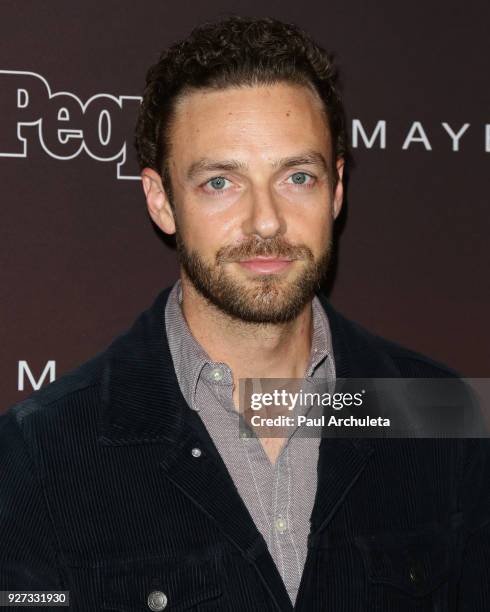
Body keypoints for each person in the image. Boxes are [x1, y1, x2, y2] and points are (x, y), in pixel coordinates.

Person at [1, 16, 489, 612]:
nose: (266, 222)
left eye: (297, 177)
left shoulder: (438, 415)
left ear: (336, 190)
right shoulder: (39, 456)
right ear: (161, 200)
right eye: (220, 183)